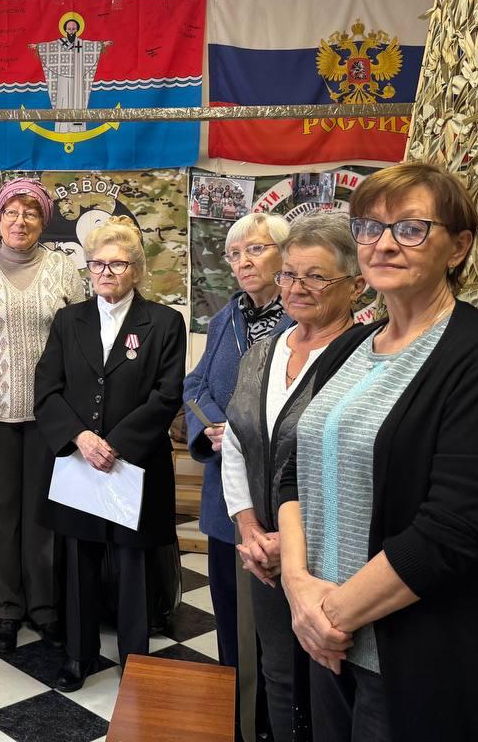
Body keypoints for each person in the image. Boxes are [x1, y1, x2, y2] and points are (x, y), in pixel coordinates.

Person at [278, 163, 478, 742]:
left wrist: (332, 615)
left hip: (413, 658)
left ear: (459, 246)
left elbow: (455, 529)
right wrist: (299, 589)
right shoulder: (348, 346)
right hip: (328, 645)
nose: (384, 244)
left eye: (412, 228)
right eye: (370, 228)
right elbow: (292, 475)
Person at [222, 213, 364, 740]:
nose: (296, 288)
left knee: (334, 682)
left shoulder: (364, 356)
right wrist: (249, 529)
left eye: (315, 277)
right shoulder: (264, 350)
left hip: (334, 557)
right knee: (279, 677)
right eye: (288, 275)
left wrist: (293, 546)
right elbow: (236, 438)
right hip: (261, 553)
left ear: (356, 285)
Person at [34, 217, 186, 692]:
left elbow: (167, 394)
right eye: (98, 263)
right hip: (81, 461)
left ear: (136, 270)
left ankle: (135, 660)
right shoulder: (68, 320)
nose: (105, 272)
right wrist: (81, 439)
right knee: (78, 560)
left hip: (135, 463)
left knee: (134, 562)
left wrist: (115, 443)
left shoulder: (164, 322)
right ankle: (78, 656)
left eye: (117, 264)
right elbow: (47, 387)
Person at [0, 178, 85, 653]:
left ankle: (44, 608)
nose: (19, 220)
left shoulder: (65, 269)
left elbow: (81, 344)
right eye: (11, 211)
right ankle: (6, 607)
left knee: (43, 516)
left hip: (51, 416)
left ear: (43, 221)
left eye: (30, 212)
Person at [184, 211, 291, 740]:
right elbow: (195, 384)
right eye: (235, 254)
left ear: (285, 256)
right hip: (227, 501)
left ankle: (279, 721)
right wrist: (211, 427)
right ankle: (240, 718)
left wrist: (250, 434)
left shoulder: (305, 319)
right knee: (230, 615)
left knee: (280, 620)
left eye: (257, 250)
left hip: (284, 501)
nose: (244, 262)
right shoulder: (226, 317)